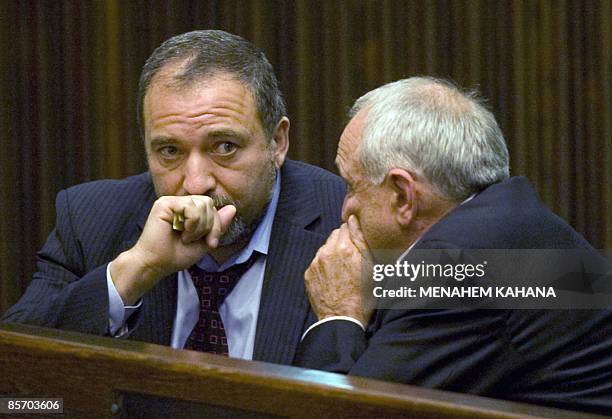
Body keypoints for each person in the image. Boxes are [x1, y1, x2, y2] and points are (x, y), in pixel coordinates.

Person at [2, 30, 345, 365]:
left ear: (278, 142)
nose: (195, 184)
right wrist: (137, 269)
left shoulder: (350, 222)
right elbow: (15, 369)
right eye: (170, 150)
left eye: (225, 147)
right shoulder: (88, 220)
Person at [294, 77, 612, 413]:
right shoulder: (502, 226)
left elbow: (334, 414)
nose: (344, 210)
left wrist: (338, 315)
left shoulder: (456, 269)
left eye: (351, 186)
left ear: (403, 195)